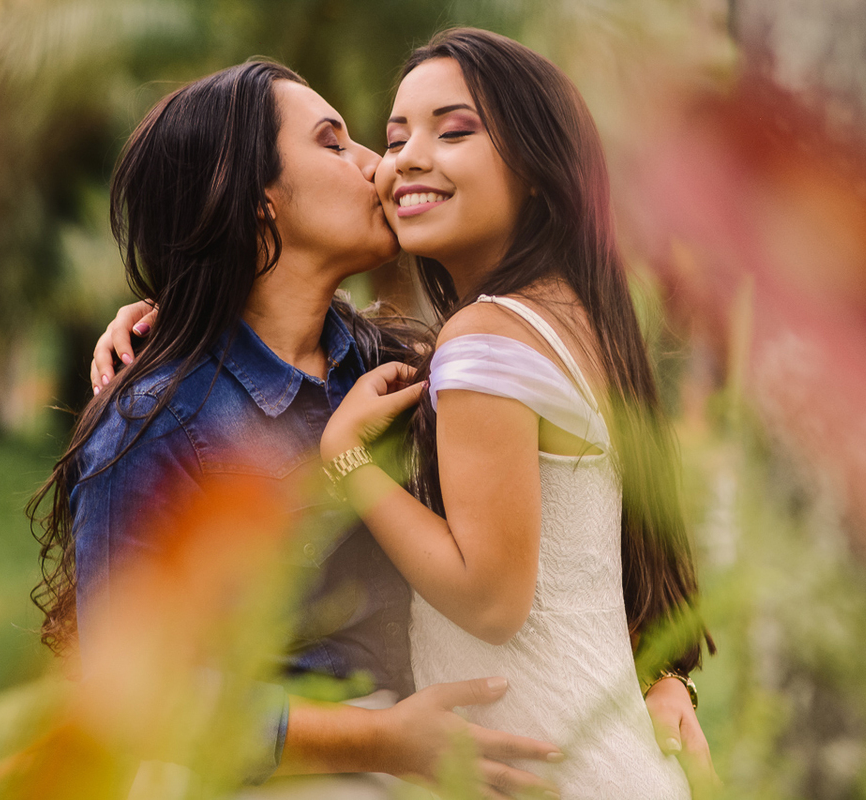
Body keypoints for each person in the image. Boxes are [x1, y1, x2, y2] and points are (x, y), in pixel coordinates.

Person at [78, 54, 713, 794]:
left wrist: (664, 675)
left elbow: (580, 526)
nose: (381, 165)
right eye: (334, 142)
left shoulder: (401, 367)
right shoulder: (155, 422)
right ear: (258, 199)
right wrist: (382, 739)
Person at [314, 28, 716, 799]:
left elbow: (492, 600)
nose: (407, 158)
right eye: (395, 138)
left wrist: (348, 464)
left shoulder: (484, 338)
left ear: (537, 169)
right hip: (604, 758)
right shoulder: (576, 322)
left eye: (454, 130)